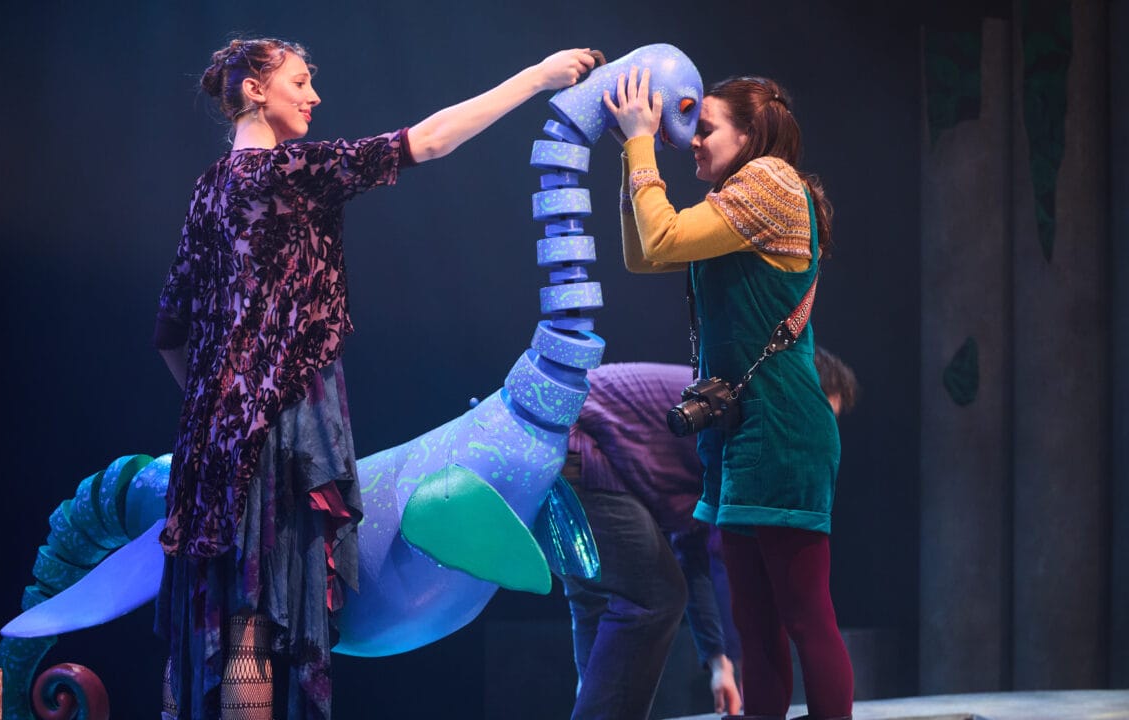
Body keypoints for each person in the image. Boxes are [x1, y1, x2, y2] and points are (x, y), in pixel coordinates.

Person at [152, 37, 596, 720]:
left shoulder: (210, 188)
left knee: (232, 615)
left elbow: (172, 333)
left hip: (212, 437)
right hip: (281, 427)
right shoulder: (291, 170)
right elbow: (429, 141)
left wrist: (224, 411)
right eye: (300, 82)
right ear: (253, 91)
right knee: (258, 622)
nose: (314, 96)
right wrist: (535, 79)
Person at [603, 69, 853, 720]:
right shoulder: (733, 201)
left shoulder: (769, 182)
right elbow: (644, 252)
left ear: (750, 136)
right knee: (755, 624)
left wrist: (641, 146)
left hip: (782, 432)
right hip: (739, 432)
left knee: (803, 616)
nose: (692, 138)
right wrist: (633, 155)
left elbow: (661, 237)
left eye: (705, 126)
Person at [559, 362, 742, 720]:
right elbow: (711, 559)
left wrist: (720, 664)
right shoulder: (736, 413)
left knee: (598, 595)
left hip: (550, 449)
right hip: (574, 446)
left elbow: (692, 555)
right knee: (654, 594)